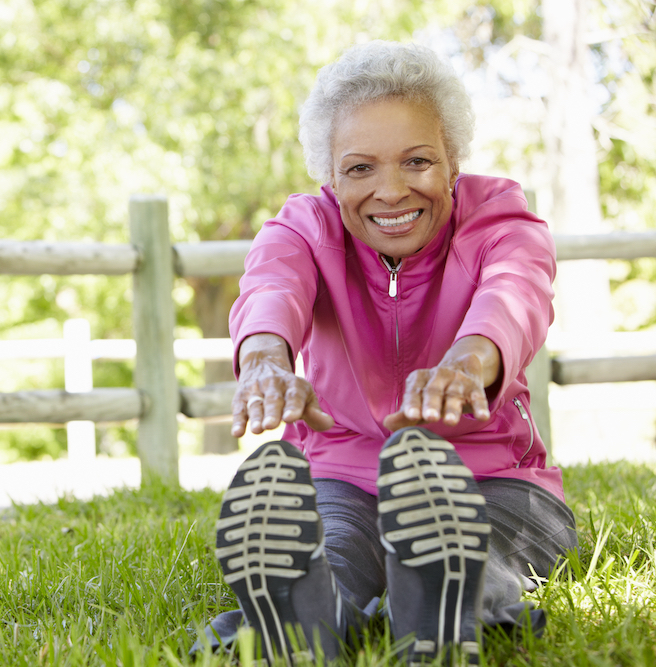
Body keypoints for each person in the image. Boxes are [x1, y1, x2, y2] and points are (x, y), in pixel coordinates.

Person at [200, 41, 579, 665]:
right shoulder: (305, 226)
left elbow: (517, 294)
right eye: (361, 169)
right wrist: (266, 360)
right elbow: (272, 287)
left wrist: (467, 362)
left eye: (418, 161)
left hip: (495, 481)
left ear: (453, 159)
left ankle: (444, 605)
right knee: (335, 553)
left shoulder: (500, 217)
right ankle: (302, 620)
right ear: (330, 175)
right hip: (341, 477)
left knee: (479, 552)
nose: (392, 191)